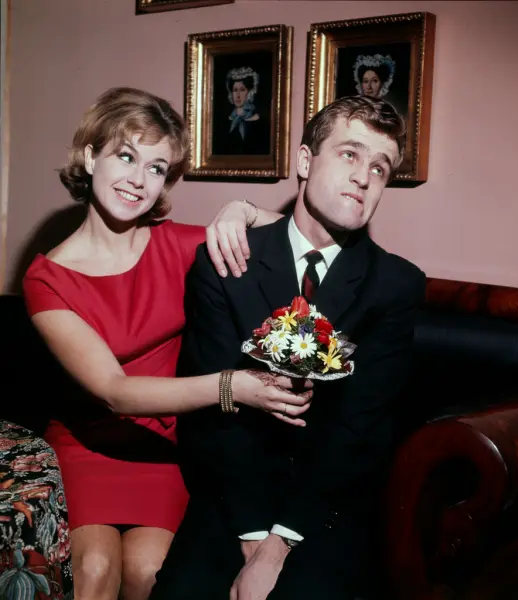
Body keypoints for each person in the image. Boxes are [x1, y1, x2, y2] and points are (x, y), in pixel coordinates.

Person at [21, 87, 310, 600]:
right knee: (93, 569)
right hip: (87, 448)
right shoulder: (47, 278)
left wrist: (240, 211)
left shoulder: (178, 245)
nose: (138, 179)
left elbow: (294, 234)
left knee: (147, 568)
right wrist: (233, 387)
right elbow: (114, 391)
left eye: (156, 167)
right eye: (125, 156)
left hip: (166, 449)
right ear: (90, 157)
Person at [151, 95, 426, 600]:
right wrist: (252, 537)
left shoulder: (395, 285)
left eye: (379, 168)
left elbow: (359, 430)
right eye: (349, 154)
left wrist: (277, 548)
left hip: (325, 507)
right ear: (304, 161)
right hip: (230, 496)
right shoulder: (226, 261)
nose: (363, 177)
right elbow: (209, 416)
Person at [212, 66, 270, 156]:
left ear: (249, 92)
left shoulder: (260, 123)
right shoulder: (224, 123)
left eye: (242, 90)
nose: (238, 95)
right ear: (231, 93)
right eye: (235, 90)